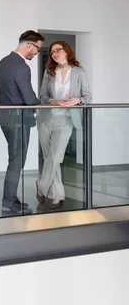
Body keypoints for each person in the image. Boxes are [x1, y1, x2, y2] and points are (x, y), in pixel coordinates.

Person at [37, 41, 92, 209]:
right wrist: (53, 100)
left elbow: (88, 97)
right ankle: (57, 195)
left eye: (58, 50)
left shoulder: (79, 72)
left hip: (66, 119)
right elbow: (42, 96)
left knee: (56, 157)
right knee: (49, 158)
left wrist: (78, 100)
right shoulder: (49, 72)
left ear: (67, 51)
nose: (54, 53)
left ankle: (41, 184)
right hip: (46, 118)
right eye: (52, 51)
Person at [0, 30, 43, 214]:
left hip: (5, 117)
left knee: (14, 158)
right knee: (17, 161)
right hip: (18, 119)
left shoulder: (4, 62)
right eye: (37, 49)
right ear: (29, 45)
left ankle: (11, 198)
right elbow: (29, 98)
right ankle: (8, 201)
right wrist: (45, 103)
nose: (37, 53)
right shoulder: (22, 67)